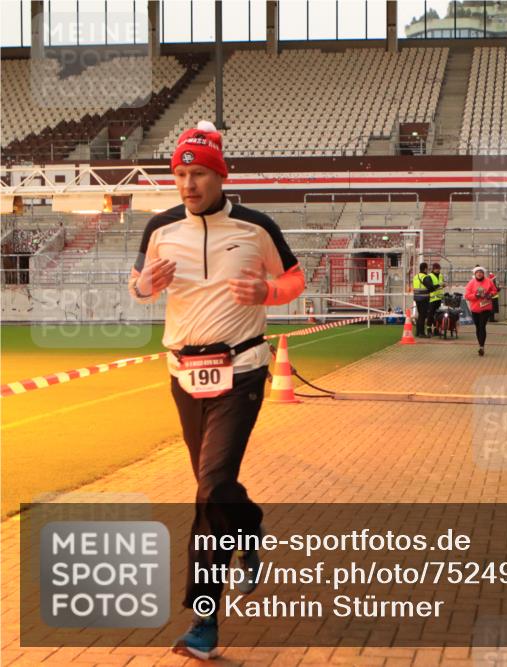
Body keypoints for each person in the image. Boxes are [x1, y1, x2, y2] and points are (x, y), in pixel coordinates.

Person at [128, 120, 305, 660]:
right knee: (217, 490)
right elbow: (136, 284)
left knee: (209, 491)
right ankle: (248, 526)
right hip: (184, 376)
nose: (187, 183)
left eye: (198, 173)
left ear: (219, 176)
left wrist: (268, 290)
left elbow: (296, 280)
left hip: (243, 370)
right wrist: (144, 286)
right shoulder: (158, 227)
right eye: (180, 174)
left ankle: (204, 623)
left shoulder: (256, 227)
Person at [464, 266, 498, 356]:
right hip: (475, 309)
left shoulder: (488, 281)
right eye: (477, 272)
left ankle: (481, 347)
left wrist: (489, 295)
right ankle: (480, 344)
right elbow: (467, 296)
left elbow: (494, 291)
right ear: (475, 274)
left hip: (485, 307)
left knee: (482, 326)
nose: (479, 274)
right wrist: (476, 296)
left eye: (481, 272)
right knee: (478, 327)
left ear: (483, 273)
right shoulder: (471, 283)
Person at [411, 261, 434, 338]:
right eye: (427, 269)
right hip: (424, 298)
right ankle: (422, 333)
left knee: (420, 315)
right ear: (425, 269)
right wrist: (438, 286)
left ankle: (418, 332)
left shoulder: (415, 277)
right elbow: (431, 288)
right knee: (423, 316)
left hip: (417, 298)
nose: (427, 270)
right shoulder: (425, 277)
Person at [427, 262, 445, 335]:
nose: (438, 270)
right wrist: (439, 285)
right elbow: (431, 287)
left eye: (438, 269)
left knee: (438, 315)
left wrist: (443, 285)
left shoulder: (441, 275)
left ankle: (436, 330)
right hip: (432, 298)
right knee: (430, 315)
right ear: (433, 269)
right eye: (436, 269)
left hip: (439, 298)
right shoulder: (429, 276)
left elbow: (441, 284)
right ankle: (428, 330)